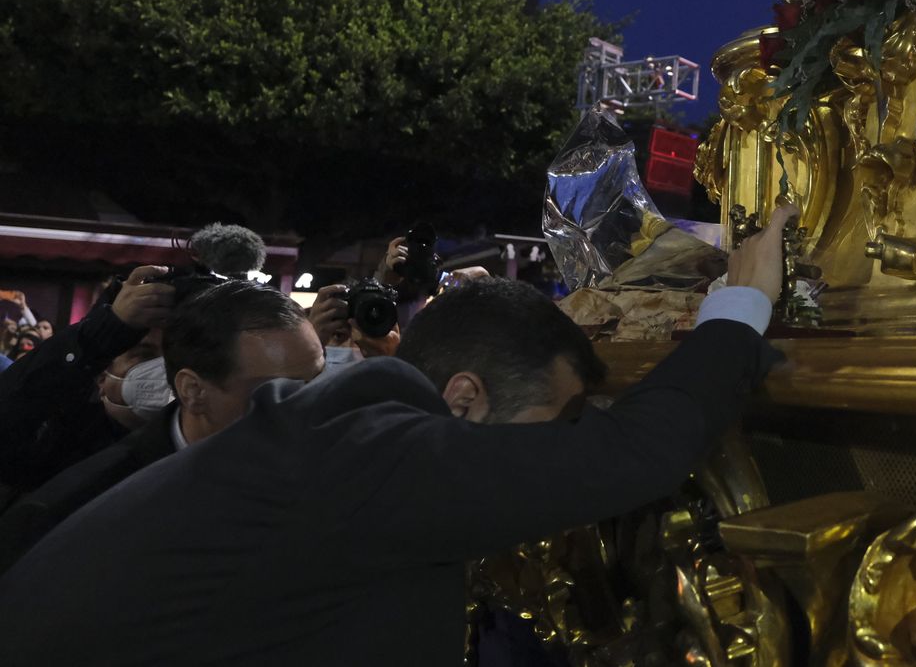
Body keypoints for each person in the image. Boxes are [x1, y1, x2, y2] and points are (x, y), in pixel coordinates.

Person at [0, 205, 793, 666]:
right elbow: (637, 455)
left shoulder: (334, 435)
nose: (565, 447)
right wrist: (743, 301)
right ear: (465, 399)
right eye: (562, 420)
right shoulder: (376, 454)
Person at [0, 281, 322, 574]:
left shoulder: (333, 471)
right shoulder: (75, 509)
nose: (312, 405)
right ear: (192, 389)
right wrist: (101, 333)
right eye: (282, 390)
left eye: (318, 383)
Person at [0, 266, 174, 492]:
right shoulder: (58, 444)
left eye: (171, 356)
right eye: (144, 355)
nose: (162, 370)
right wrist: (102, 333)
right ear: (102, 375)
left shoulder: (185, 450)